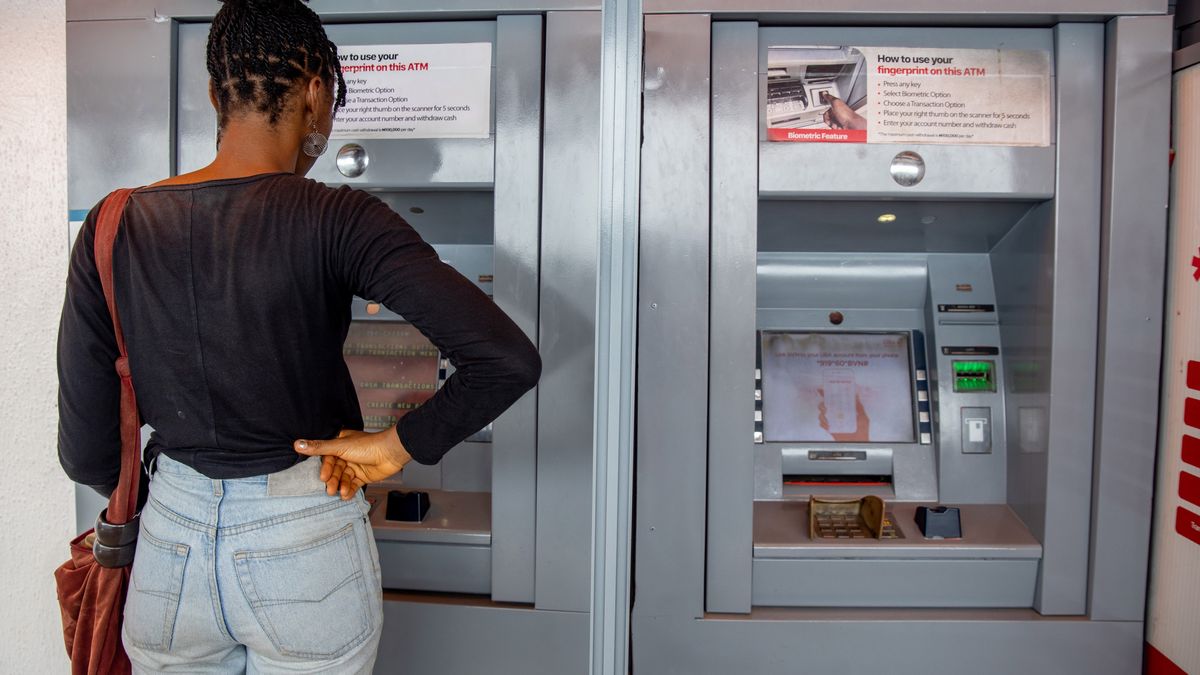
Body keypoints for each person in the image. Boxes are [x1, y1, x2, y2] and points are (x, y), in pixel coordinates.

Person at [56, 0, 540, 672]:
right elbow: (505, 359)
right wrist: (395, 446)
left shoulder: (116, 222)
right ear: (316, 94)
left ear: (213, 93)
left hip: (169, 553)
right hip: (303, 539)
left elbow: (87, 456)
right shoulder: (338, 217)